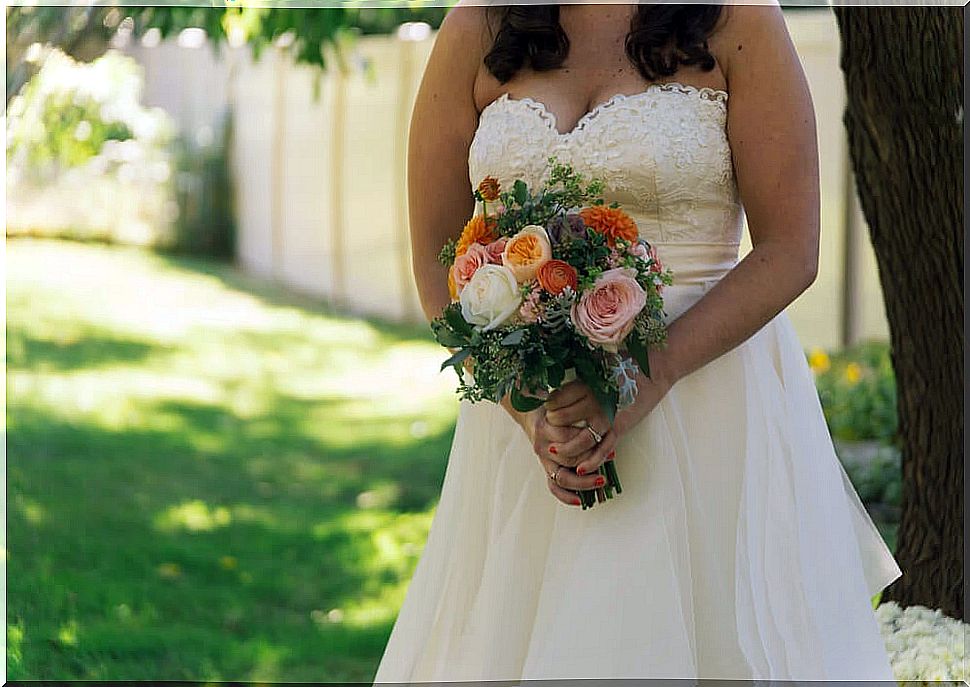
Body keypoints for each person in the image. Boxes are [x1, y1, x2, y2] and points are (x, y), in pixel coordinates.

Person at [374, 1, 902, 682]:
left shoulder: (739, 19)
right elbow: (436, 262)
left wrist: (648, 378)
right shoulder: (477, 25)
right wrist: (527, 408)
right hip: (536, 431)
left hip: (708, 415)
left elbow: (790, 248)